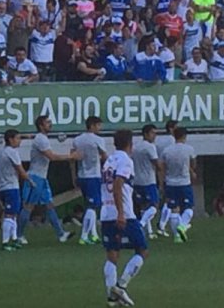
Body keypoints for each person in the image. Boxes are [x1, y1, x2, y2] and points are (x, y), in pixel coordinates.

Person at [100, 129, 148, 308]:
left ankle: (112, 299)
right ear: (130, 143)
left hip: (106, 212)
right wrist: (120, 212)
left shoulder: (108, 161)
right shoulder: (126, 161)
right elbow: (118, 184)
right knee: (142, 249)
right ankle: (121, 286)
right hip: (124, 213)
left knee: (112, 254)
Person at [17, 116, 75, 244]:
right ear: (41, 126)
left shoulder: (41, 138)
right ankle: (19, 235)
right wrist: (70, 157)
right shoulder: (41, 139)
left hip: (42, 178)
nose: (50, 124)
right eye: (47, 123)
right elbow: (52, 157)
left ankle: (61, 234)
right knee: (29, 206)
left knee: (49, 204)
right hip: (35, 177)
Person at [71, 116, 107, 245]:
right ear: (92, 125)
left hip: (82, 175)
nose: (100, 128)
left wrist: (74, 175)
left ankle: (94, 235)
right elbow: (105, 156)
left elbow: (72, 157)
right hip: (93, 175)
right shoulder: (98, 140)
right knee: (93, 206)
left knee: (89, 205)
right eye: (98, 125)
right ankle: (84, 236)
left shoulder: (77, 140)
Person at [0, 128, 31, 251]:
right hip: (11, 186)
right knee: (10, 215)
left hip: (2, 187)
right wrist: (30, 181)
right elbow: (20, 169)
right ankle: (5, 242)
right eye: (18, 138)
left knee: (13, 214)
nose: (19, 141)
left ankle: (14, 239)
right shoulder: (12, 152)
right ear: (11, 139)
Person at [159, 126, 197, 243]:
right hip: (184, 182)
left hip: (170, 183)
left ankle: (177, 236)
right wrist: (191, 171)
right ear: (185, 136)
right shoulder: (189, 149)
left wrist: (162, 182)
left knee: (174, 209)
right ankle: (182, 226)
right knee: (189, 208)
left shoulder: (167, 150)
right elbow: (193, 164)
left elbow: (162, 167)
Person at [133, 125, 160, 239]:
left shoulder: (135, 147)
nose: (154, 136)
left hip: (137, 180)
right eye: (152, 133)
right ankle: (141, 224)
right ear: (145, 134)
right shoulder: (150, 147)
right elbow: (156, 163)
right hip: (148, 180)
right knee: (154, 205)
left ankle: (148, 231)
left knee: (144, 207)